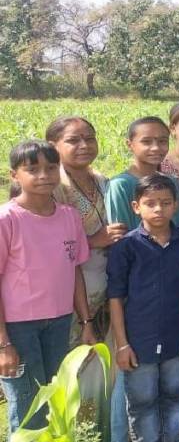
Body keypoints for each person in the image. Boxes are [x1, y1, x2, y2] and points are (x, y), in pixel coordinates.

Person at [0, 141, 93, 442]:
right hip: (17, 328)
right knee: (26, 402)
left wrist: (86, 321)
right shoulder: (7, 220)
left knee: (55, 395)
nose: (44, 175)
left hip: (59, 321)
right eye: (33, 169)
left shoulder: (68, 216)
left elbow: (75, 271)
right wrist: (3, 344)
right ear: (15, 175)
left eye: (51, 168)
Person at [107, 174, 179, 442]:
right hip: (139, 339)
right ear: (136, 207)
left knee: (173, 395)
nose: (158, 209)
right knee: (142, 400)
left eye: (165, 203)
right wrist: (122, 344)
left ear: (176, 206)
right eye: (150, 203)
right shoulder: (126, 247)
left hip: (177, 335)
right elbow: (115, 298)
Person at [47, 116, 126, 341]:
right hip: (69, 286)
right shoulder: (52, 188)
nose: (84, 145)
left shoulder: (101, 180)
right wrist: (91, 241)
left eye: (90, 139)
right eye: (73, 140)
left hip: (105, 281)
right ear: (53, 146)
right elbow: (41, 241)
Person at [105, 116, 179, 230]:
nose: (155, 148)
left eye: (162, 141)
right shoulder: (120, 185)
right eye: (146, 142)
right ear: (130, 145)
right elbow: (120, 234)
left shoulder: (172, 181)